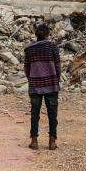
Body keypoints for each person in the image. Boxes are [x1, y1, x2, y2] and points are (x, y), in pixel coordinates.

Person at [24, 22, 61, 150]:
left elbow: (26, 68)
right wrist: (56, 80)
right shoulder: (53, 47)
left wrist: (32, 79)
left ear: (36, 34)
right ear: (47, 34)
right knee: (52, 114)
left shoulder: (29, 49)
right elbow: (57, 67)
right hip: (51, 84)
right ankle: (52, 142)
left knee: (35, 114)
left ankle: (34, 141)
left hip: (35, 85)